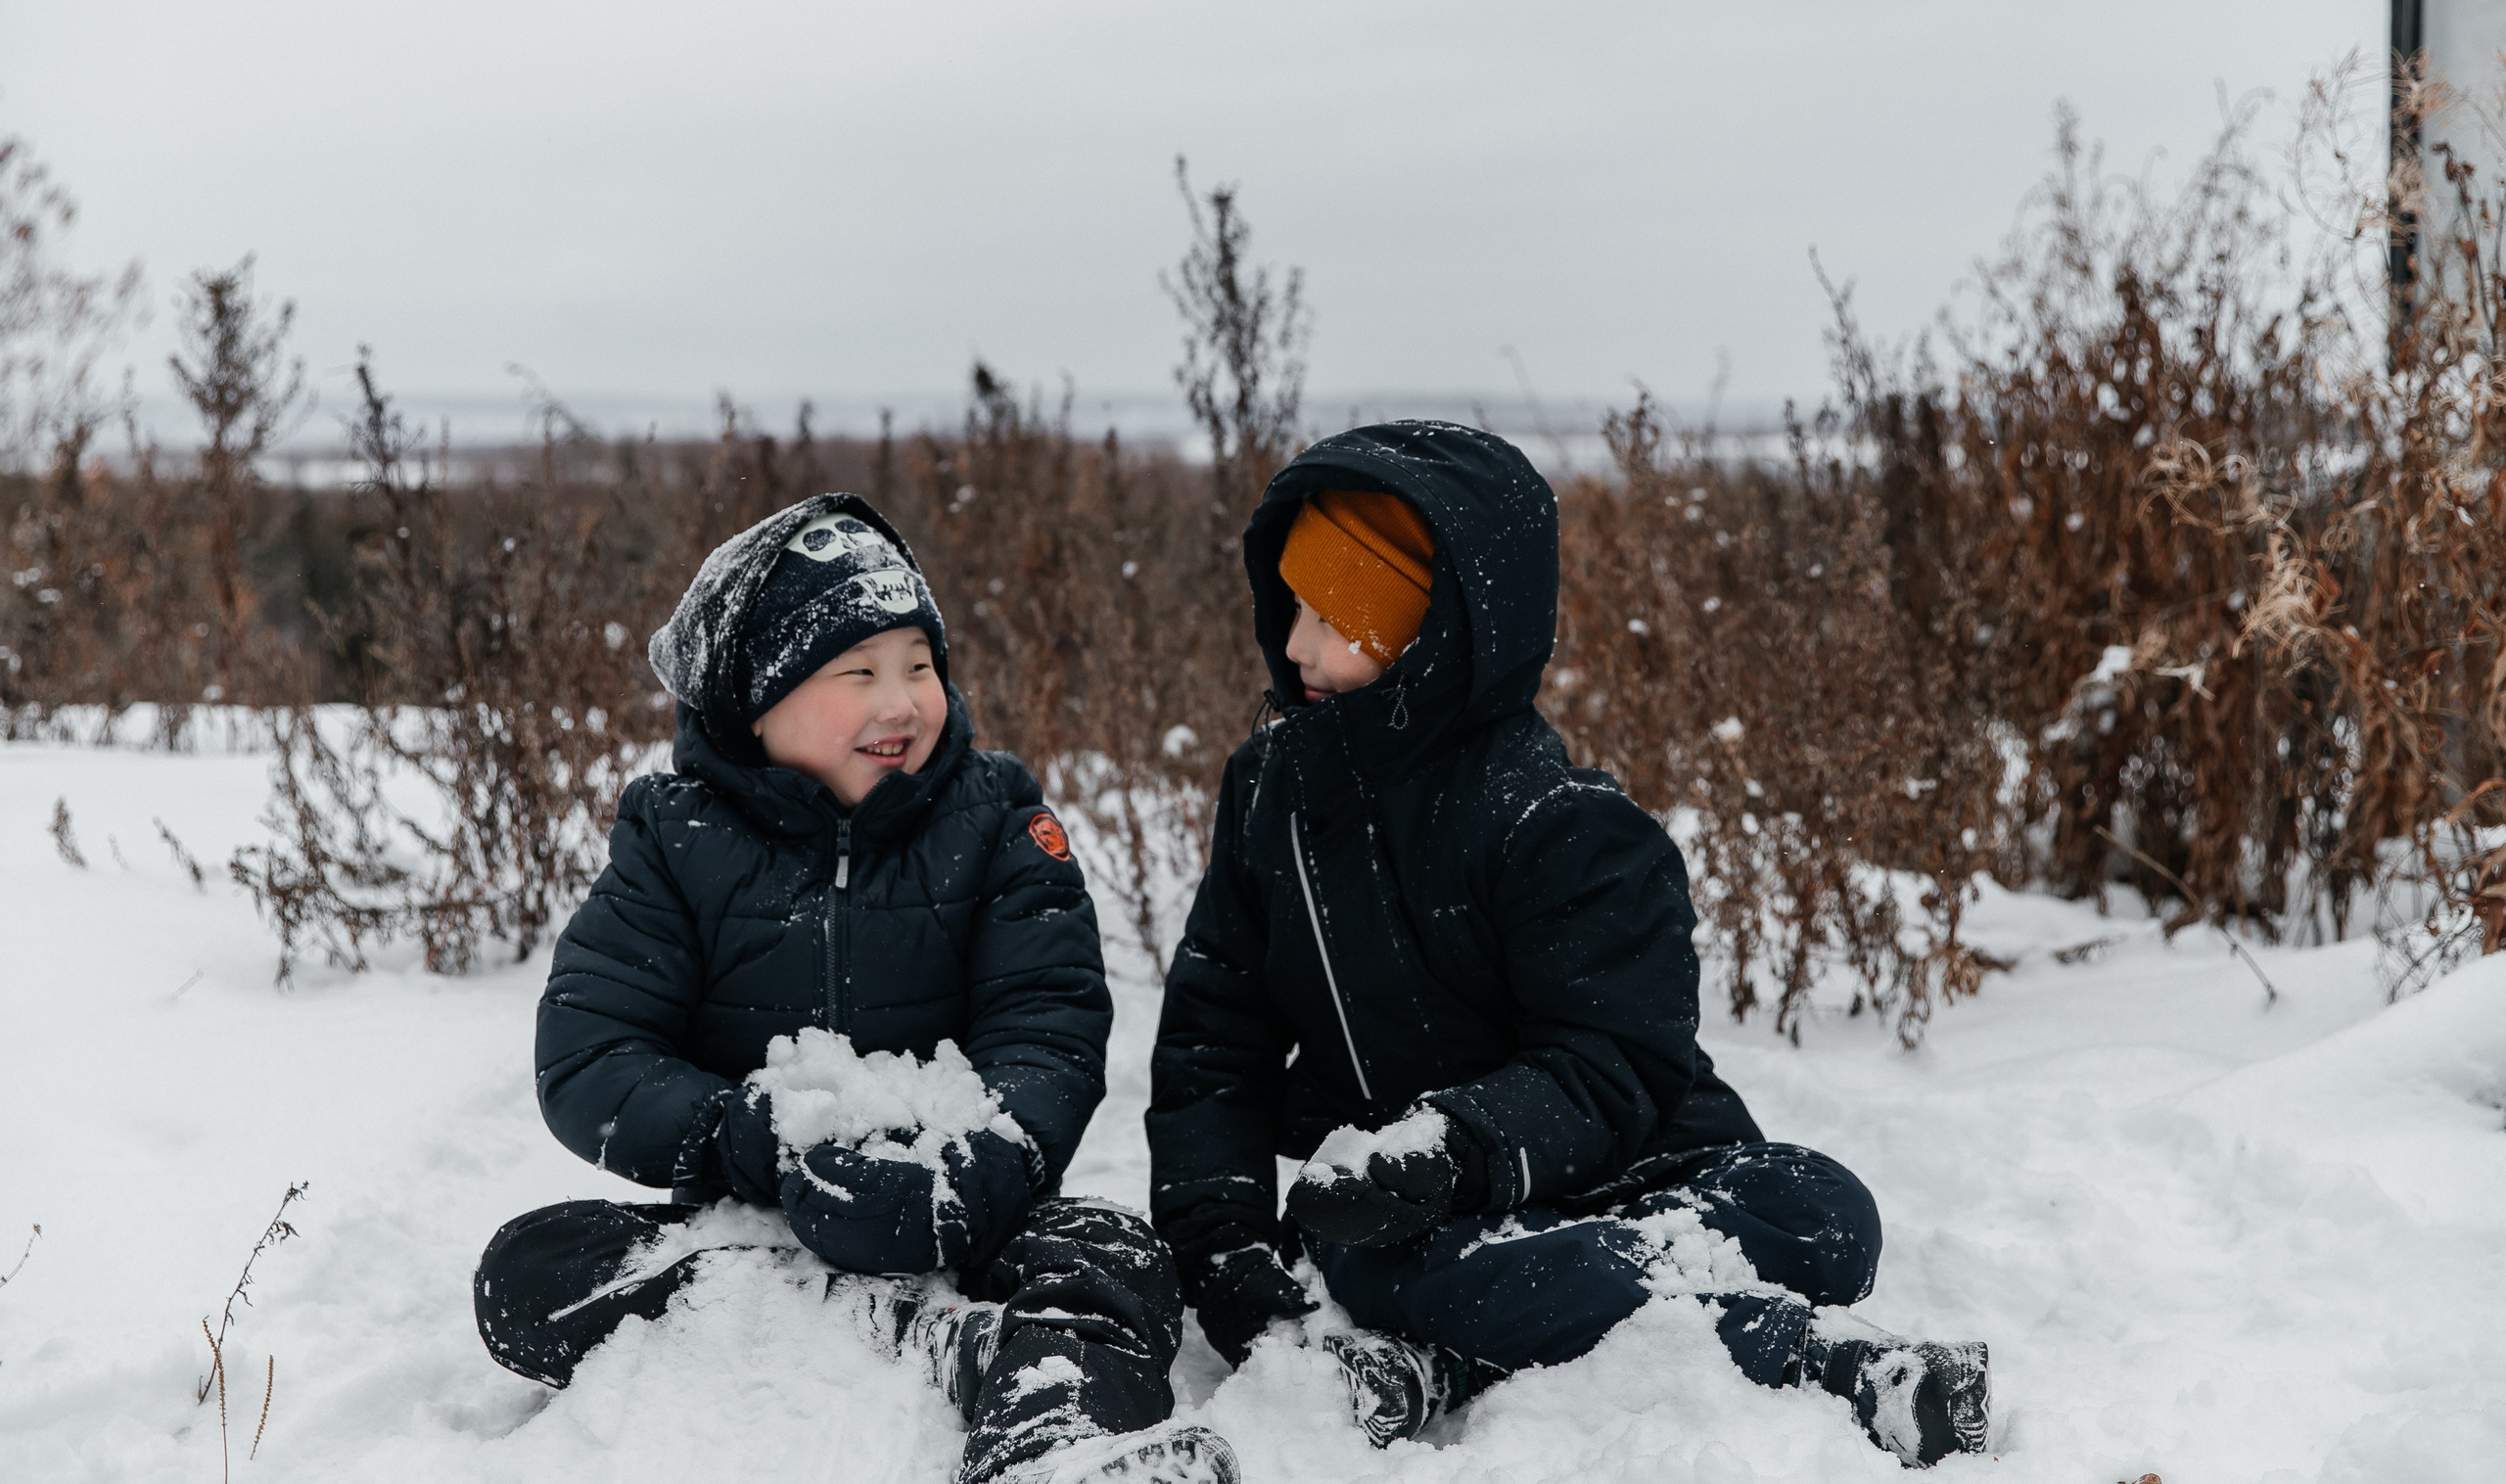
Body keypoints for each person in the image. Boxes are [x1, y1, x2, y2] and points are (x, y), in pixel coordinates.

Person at [1145, 423, 1990, 1467]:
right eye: (1293, 610)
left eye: (1335, 616)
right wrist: (1219, 1240)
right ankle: (1817, 1361)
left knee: (1825, 1210)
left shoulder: (1556, 817)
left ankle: (1454, 1354)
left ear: (1438, 632)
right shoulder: (1269, 792)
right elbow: (1212, 1039)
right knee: (1361, 1260)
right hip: (1414, 1216)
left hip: (1628, 1170)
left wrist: (1460, 1143)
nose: (1299, 648)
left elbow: (1616, 1057)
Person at [474, 494, 1236, 1484]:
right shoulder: (676, 837)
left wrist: (983, 1161)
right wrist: (743, 1134)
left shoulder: (995, 816)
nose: (902, 700)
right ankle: (918, 1332)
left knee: (1116, 1257)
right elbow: (591, 1050)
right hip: (757, 1218)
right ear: (757, 701)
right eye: (859, 671)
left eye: (919, 665)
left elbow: (1047, 1022)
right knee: (528, 1267)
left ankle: (1053, 1432)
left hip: (964, 1210)